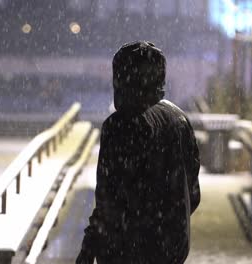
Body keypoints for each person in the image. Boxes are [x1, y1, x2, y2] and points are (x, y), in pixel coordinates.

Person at [76, 41, 200, 264]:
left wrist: (89, 247)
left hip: (125, 252)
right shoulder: (179, 120)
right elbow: (193, 194)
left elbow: (108, 200)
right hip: (171, 250)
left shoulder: (119, 126)